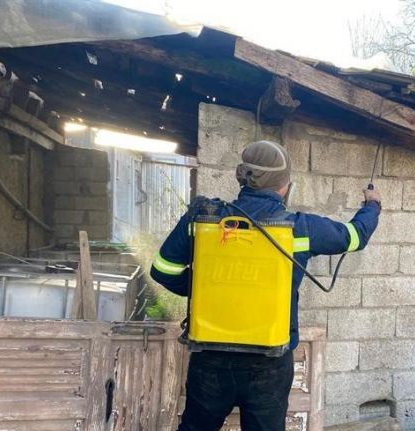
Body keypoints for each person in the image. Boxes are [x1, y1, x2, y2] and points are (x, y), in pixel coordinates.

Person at [150, 140, 381, 431]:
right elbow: (355, 236)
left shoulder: (202, 217)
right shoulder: (300, 227)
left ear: (242, 178)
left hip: (210, 360)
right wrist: (372, 204)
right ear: (285, 187)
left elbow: (163, 270)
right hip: (269, 365)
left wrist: (206, 289)